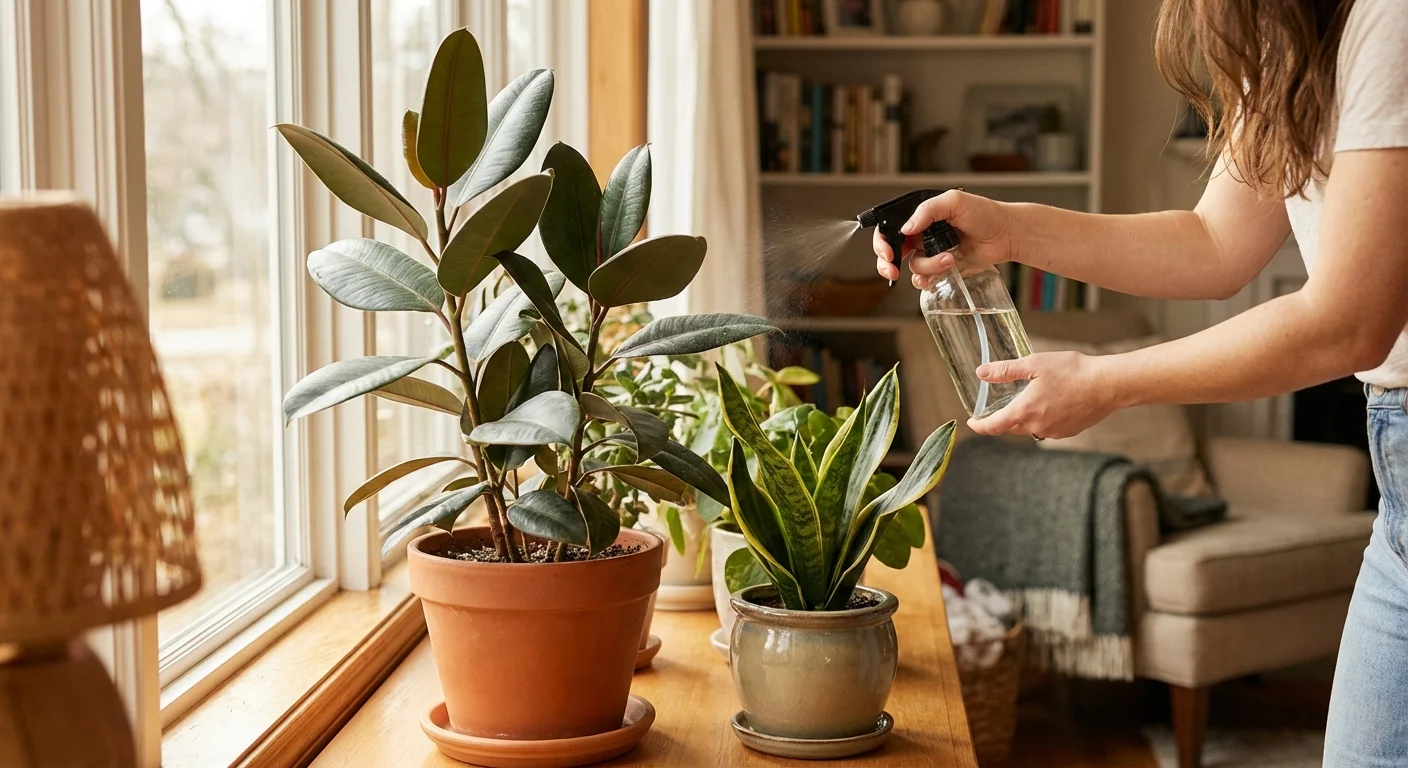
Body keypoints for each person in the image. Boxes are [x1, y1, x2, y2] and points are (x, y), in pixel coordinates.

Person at [873, 0, 1408, 763]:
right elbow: (1214, 243)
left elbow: (1348, 322)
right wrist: (1010, 227)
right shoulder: (1299, 45)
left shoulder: (1390, 20)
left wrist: (1108, 381)